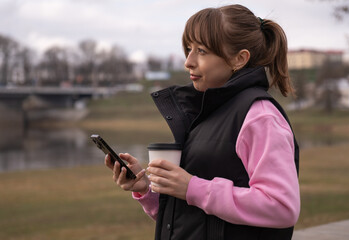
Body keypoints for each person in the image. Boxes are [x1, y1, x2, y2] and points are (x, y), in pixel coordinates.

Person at [105, 4, 300, 240]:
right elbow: (193, 217)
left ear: (239, 59)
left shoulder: (260, 117)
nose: (188, 61)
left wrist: (192, 187)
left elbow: (281, 207)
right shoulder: (208, 113)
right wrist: (147, 189)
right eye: (188, 49)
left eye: (202, 51)